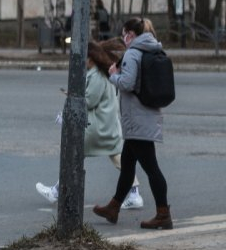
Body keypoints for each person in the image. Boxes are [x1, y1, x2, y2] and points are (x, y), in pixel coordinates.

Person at [35, 39, 140, 209]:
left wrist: (68, 115)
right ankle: (135, 193)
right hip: (108, 126)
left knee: (74, 154)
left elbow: (89, 102)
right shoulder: (101, 73)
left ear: (91, 59)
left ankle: (55, 192)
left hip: (97, 128)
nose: (80, 62)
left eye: (83, 58)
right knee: (118, 158)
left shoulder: (97, 75)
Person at [93, 18, 174, 230]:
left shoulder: (132, 53)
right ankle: (114, 207)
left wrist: (113, 76)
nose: (122, 38)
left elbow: (127, 83)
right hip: (145, 118)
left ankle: (163, 214)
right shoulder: (151, 49)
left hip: (137, 122)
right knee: (127, 167)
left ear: (131, 34)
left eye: (124, 34)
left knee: (152, 169)